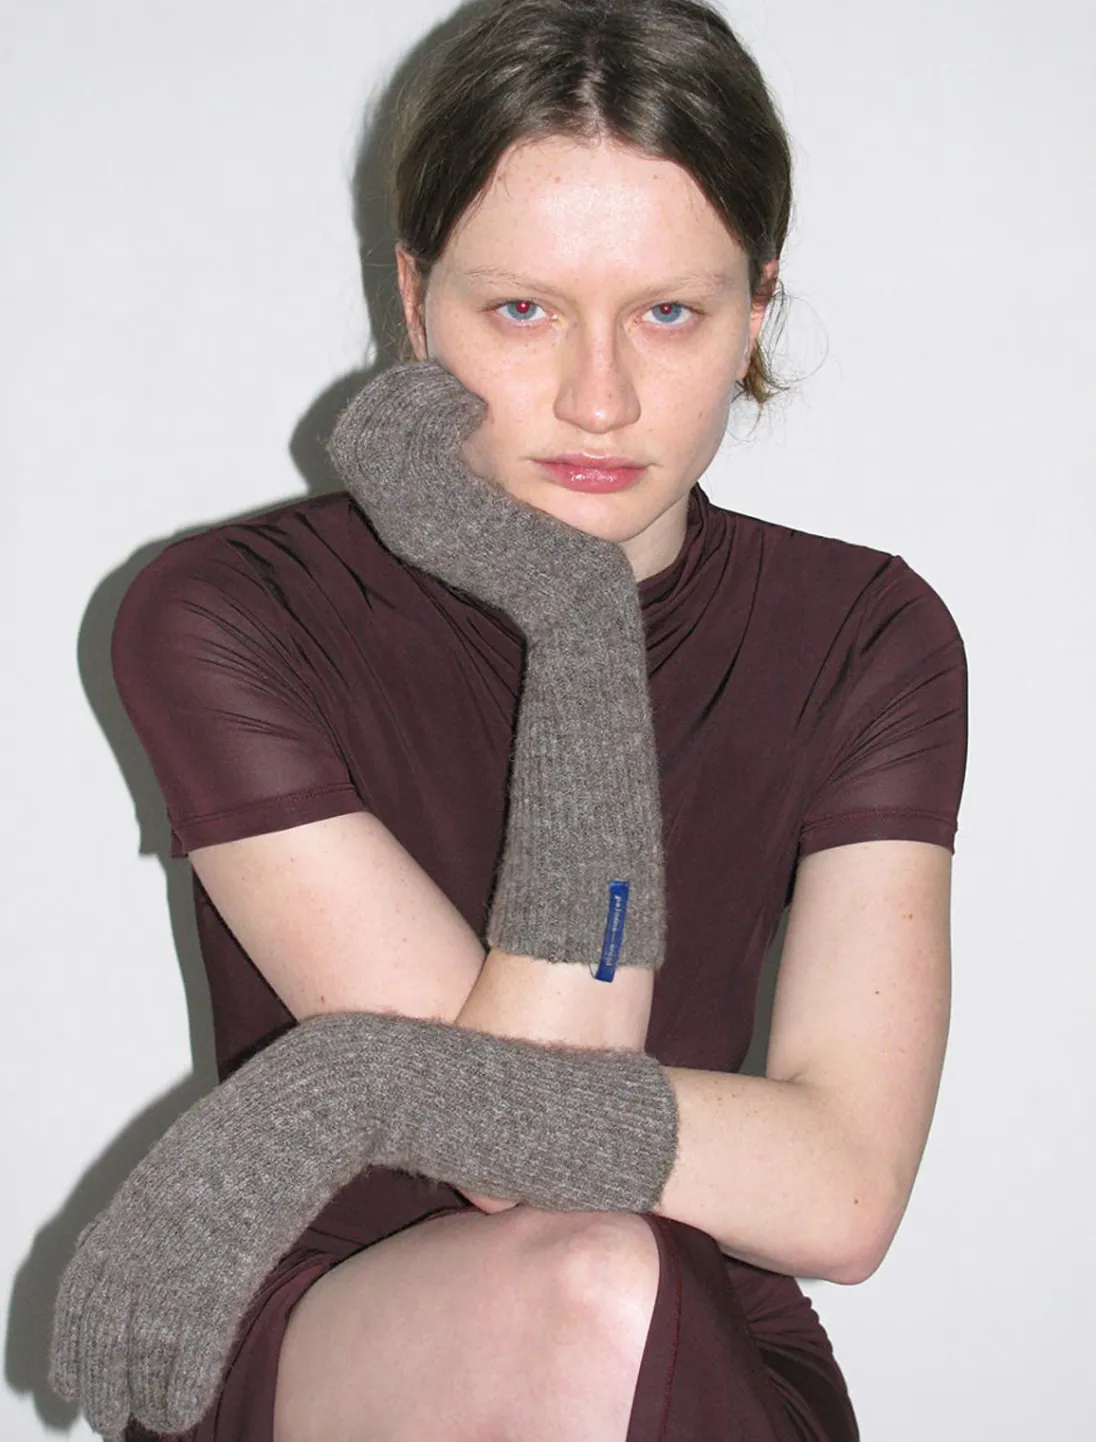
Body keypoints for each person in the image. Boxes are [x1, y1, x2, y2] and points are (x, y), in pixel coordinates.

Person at [49, 2, 968, 1440]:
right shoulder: (230, 611)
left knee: (619, 1285)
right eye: (523, 310)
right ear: (417, 300)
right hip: (338, 1333)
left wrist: (354, 1085)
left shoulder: (866, 634)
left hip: (691, 1324)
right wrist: (583, 621)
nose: (599, 400)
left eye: (669, 312)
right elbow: (516, 1157)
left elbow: (846, 1193)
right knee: (590, 1272)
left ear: (757, 307)